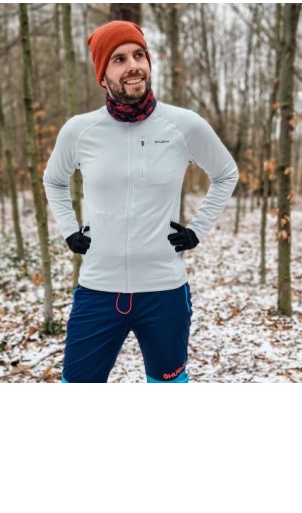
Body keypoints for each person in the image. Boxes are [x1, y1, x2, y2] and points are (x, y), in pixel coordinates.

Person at [43, 20, 238, 383]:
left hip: (164, 290)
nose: (133, 65)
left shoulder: (184, 125)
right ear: (103, 76)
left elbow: (226, 173)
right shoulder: (79, 131)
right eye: (119, 59)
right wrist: (69, 230)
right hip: (98, 289)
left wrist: (197, 230)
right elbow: (53, 180)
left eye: (139, 55)